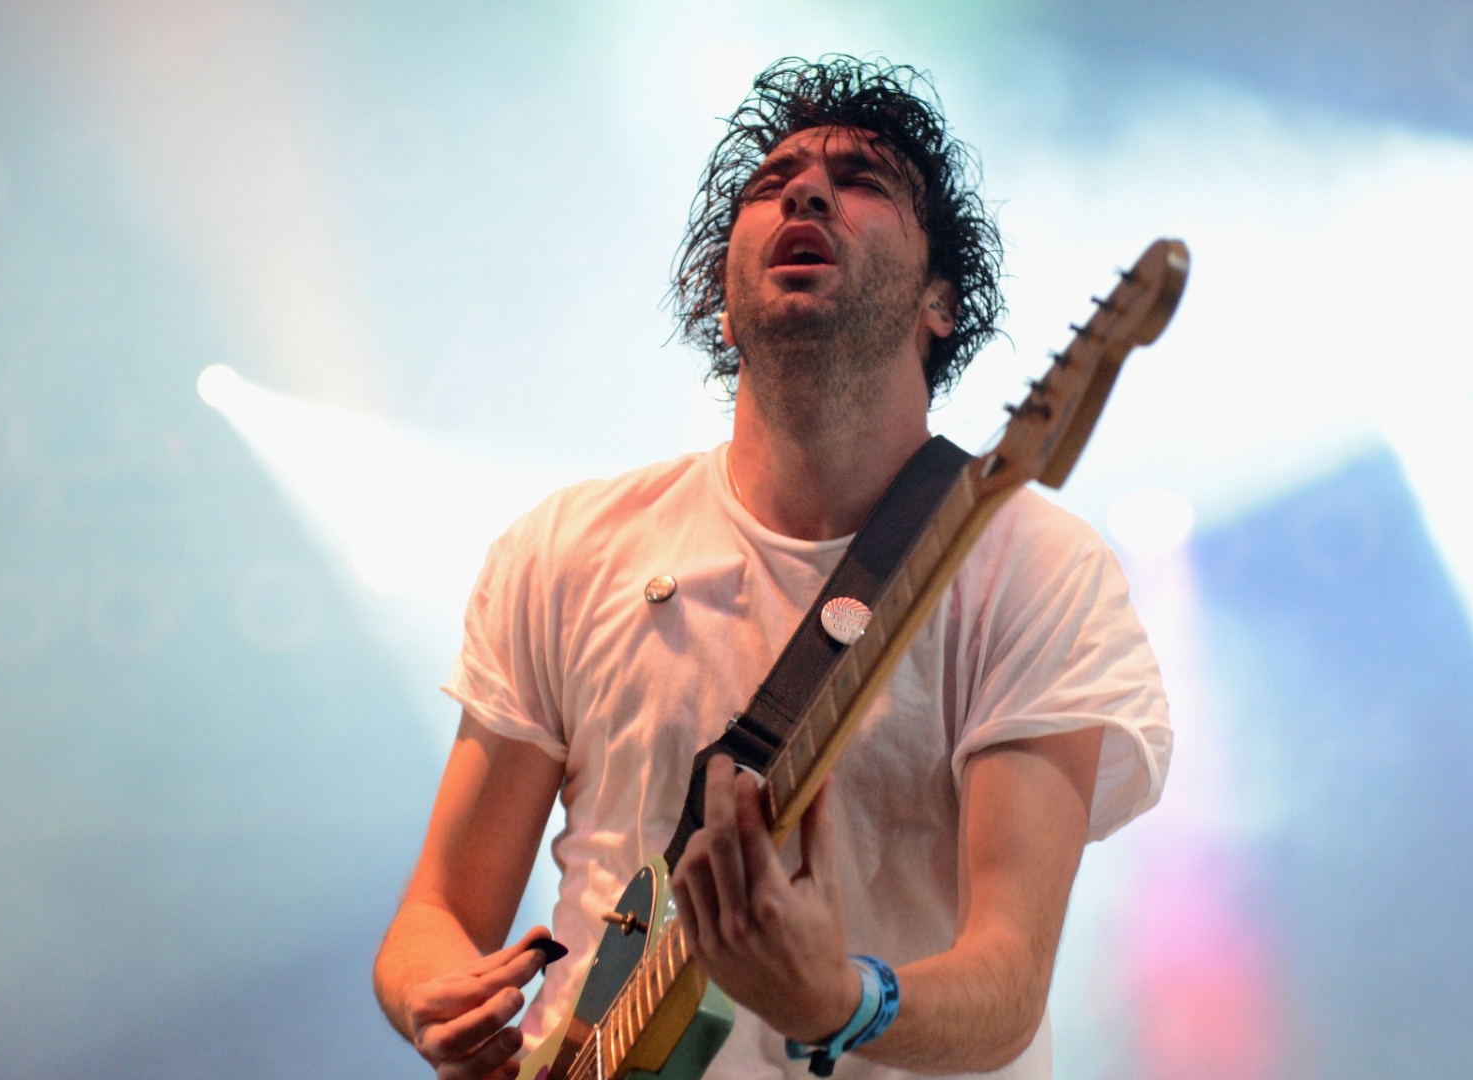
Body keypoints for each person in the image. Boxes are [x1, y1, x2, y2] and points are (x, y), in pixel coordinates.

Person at [372, 56, 1172, 1080]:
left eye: (864, 181)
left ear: (940, 303)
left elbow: (1008, 988)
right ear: (722, 303)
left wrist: (845, 1002)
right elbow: (435, 914)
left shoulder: (1027, 564)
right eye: (773, 182)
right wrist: (435, 996)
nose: (805, 191)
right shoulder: (568, 549)